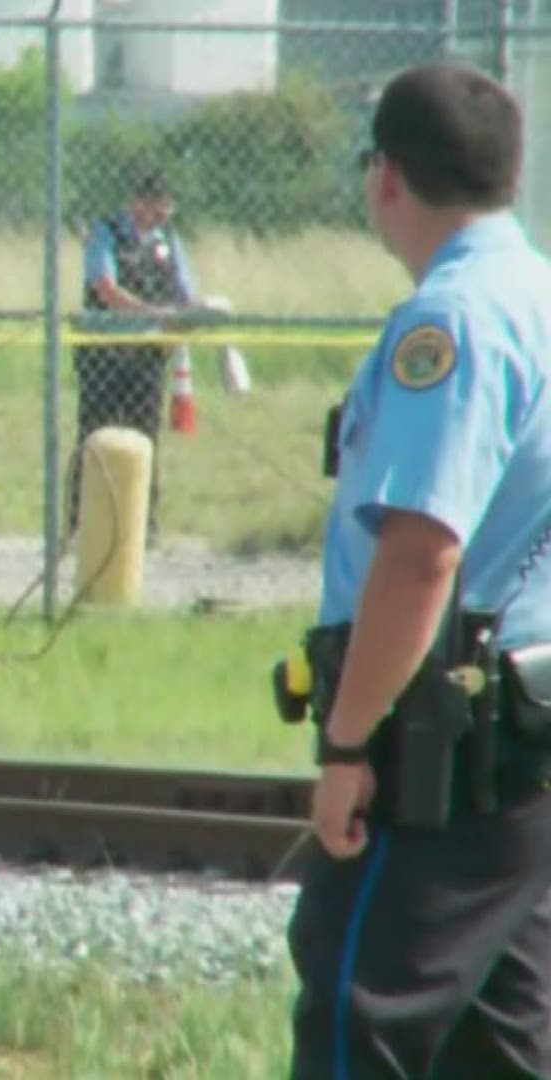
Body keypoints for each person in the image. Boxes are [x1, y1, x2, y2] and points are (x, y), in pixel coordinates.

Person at [286, 63, 551, 1079]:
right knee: (497, 1047)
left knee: (364, 1018)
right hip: (521, 741)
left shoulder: (450, 324)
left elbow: (421, 552)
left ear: (385, 177)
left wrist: (348, 745)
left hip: (439, 752)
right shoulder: (533, 293)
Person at [68, 170, 205, 543]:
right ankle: (80, 521)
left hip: (147, 355)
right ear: (138, 204)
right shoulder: (107, 233)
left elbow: (184, 291)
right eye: (156, 208)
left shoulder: (168, 243)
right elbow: (104, 286)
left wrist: (196, 310)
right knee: (94, 433)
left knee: (145, 436)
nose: (161, 217)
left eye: (166, 210)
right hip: (104, 353)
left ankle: (142, 523)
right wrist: (151, 312)